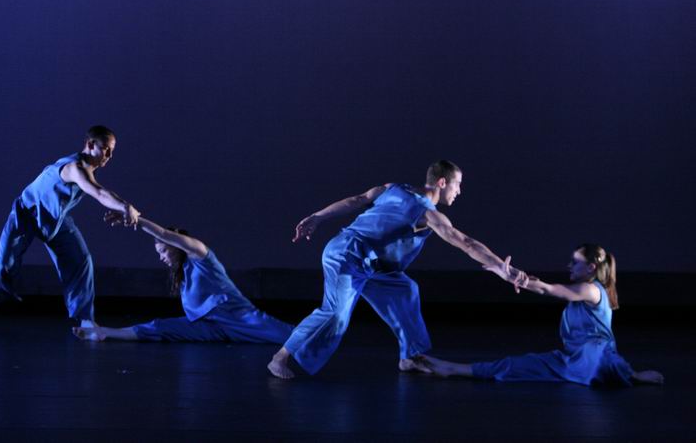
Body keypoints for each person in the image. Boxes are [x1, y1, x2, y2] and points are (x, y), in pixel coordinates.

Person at [267, 160, 521, 379]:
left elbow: (358, 200)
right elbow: (466, 242)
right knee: (335, 313)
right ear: (442, 183)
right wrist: (501, 268)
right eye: (458, 184)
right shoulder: (428, 214)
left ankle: (411, 357)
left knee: (405, 290)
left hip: (374, 264)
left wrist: (318, 217)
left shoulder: (394, 188)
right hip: (347, 255)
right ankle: (280, 357)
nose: (459, 191)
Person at [416, 245, 664, 386]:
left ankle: (631, 374)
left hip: (596, 358)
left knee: (597, 358)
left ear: (591, 267)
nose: (569, 265)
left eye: (575, 262)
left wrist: (518, 279)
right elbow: (542, 285)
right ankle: (454, 369)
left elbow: (551, 290)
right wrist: (519, 277)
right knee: (515, 364)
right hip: (570, 359)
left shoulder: (591, 290)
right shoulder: (584, 289)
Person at [0, 126, 140, 328]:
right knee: (5, 264)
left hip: (56, 219)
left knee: (81, 260)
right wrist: (124, 206)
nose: (109, 155)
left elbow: (101, 191)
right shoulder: (75, 168)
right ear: (90, 144)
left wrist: (123, 207)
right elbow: (98, 193)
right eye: (105, 149)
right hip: (26, 213)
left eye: (112, 150)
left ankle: (85, 319)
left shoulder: (88, 170)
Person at [73, 212, 294, 344]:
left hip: (237, 317)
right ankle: (103, 332)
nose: (161, 257)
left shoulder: (201, 256)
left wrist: (135, 220)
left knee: (291, 337)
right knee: (159, 327)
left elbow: (164, 234)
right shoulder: (182, 274)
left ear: (176, 246)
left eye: (163, 251)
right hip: (209, 326)